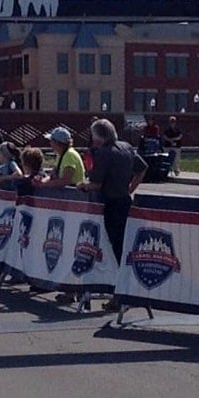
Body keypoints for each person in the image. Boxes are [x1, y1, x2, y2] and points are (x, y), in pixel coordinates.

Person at [77, 118, 148, 312]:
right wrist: (130, 189)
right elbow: (142, 169)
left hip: (110, 205)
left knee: (114, 250)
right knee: (124, 248)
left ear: (98, 136)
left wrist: (83, 185)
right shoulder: (126, 147)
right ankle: (126, 293)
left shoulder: (104, 153)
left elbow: (97, 184)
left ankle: (120, 294)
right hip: (125, 202)